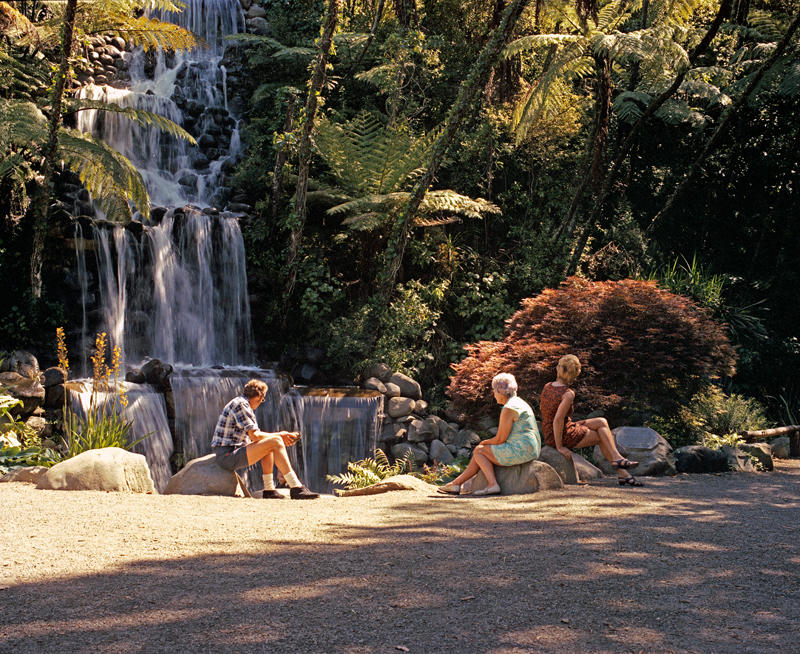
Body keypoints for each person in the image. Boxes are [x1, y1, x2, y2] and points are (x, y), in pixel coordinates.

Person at [540, 355, 643, 487]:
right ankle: (622, 470)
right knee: (602, 436)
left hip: (552, 430)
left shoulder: (547, 386)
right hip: (560, 434)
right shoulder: (568, 393)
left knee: (601, 421)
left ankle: (619, 462)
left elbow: (549, 414)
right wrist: (560, 447)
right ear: (574, 374)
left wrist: (571, 424)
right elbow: (558, 420)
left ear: (559, 369)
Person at [211, 379, 319, 499]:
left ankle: (269, 490)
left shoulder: (241, 403)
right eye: (262, 400)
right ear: (259, 396)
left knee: (269, 444)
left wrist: (279, 437)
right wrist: (280, 436)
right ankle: (296, 487)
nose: (261, 403)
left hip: (231, 452)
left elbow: (256, 438)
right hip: (227, 456)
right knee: (275, 441)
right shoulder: (241, 405)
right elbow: (255, 436)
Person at [439, 372, 541, 496]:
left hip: (521, 450)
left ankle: (493, 485)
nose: (494, 394)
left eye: (494, 390)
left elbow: (500, 439)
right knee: (481, 451)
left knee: (479, 451)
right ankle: (456, 484)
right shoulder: (520, 403)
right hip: (531, 448)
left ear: (500, 391)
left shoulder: (509, 408)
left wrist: (483, 443)